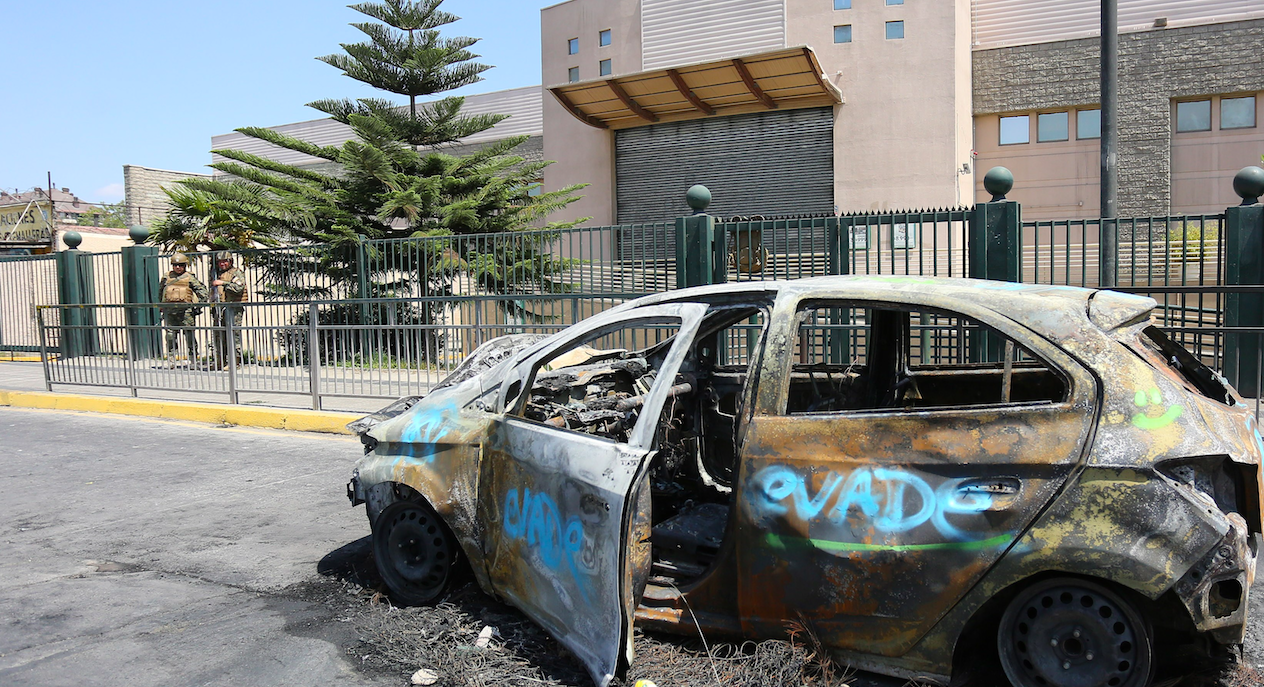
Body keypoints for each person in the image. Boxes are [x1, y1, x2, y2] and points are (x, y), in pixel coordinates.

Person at [158, 253, 208, 363]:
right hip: (170, 311)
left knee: (189, 335)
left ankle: (193, 357)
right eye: (175, 265)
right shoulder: (166, 277)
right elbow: (161, 291)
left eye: (180, 265)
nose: (177, 267)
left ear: (184, 265)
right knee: (170, 335)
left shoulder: (189, 278)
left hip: (186, 312)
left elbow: (203, 292)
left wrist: (198, 306)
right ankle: (171, 357)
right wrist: (161, 305)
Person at [210, 251, 247, 369]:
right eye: (220, 262)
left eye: (225, 261)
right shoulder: (216, 274)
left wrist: (223, 283)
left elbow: (239, 288)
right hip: (219, 308)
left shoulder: (236, 273)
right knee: (218, 335)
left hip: (233, 308)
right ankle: (220, 361)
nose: (222, 264)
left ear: (230, 261)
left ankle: (234, 362)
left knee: (233, 334)